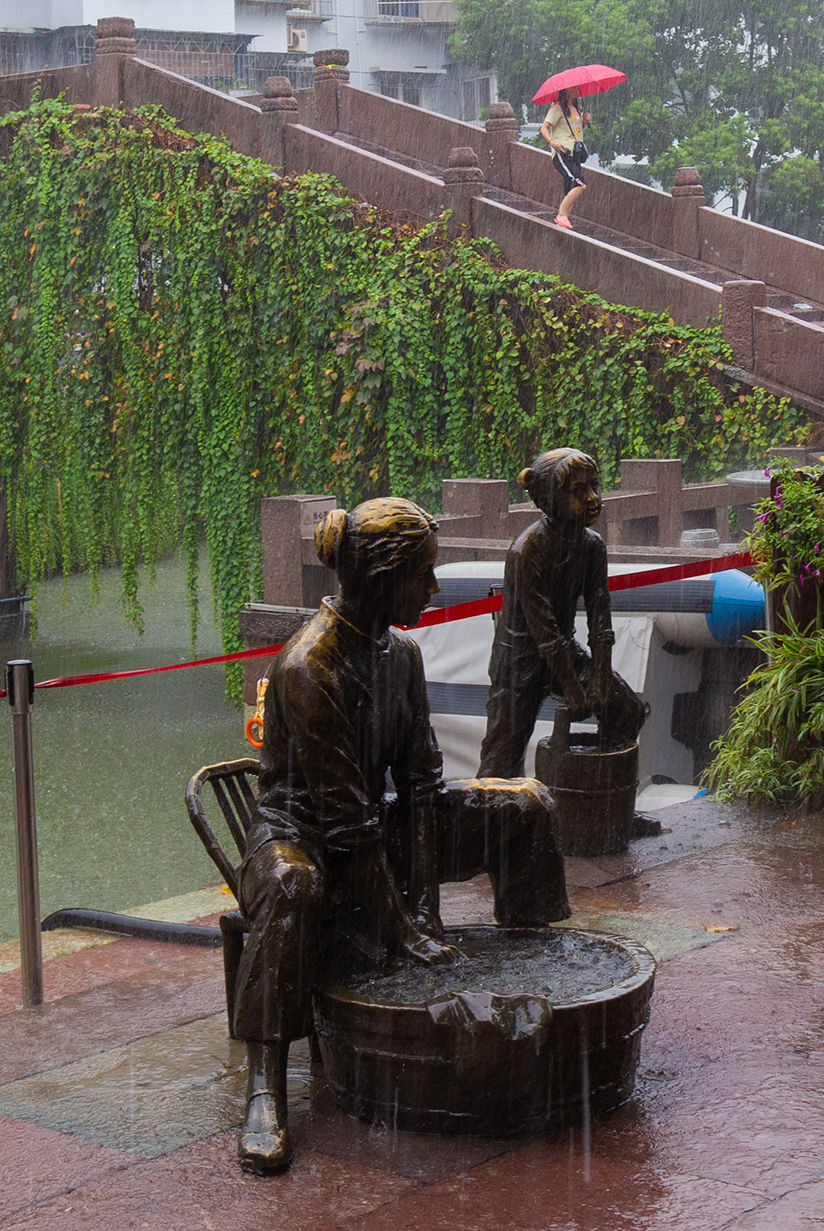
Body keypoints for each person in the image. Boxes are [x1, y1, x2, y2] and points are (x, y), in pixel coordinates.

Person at [229, 496, 570, 1175]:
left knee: (526, 805)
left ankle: (539, 963)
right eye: (423, 574)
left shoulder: (402, 655)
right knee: (296, 886)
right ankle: (265, 1085)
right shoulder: (308, 668)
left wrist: (425, 908)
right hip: (300, 837)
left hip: (371, 823)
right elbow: (344, 825)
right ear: (384, 577)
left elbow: (419, 787)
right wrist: (405, 933)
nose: (433, 588)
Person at [485, 447, 648, 780]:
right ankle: (497, 810)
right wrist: (573, 689)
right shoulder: (527, 550)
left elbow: (600, 616)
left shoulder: (592, 546)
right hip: (520, 662)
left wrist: (600, 675)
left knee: (626, 711)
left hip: (564, 651)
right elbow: (544, 632)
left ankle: (599, 799)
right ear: (548, 500)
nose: (592, 499)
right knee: (502, 758)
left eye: (594, 487)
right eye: (578, 491)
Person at [540, 88, 590, 229]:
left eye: (577, 87)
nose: (576, 90)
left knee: (571, 189)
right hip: (563, 151)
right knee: (580, 184)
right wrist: (552, 143)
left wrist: (584, 122)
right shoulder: (557, 108)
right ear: (565, 90)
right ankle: (561, 215)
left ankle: (564, 220)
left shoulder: (575, 109)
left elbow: (575, 132)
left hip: (576, 153)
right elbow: (544, 128)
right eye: (573, 88)